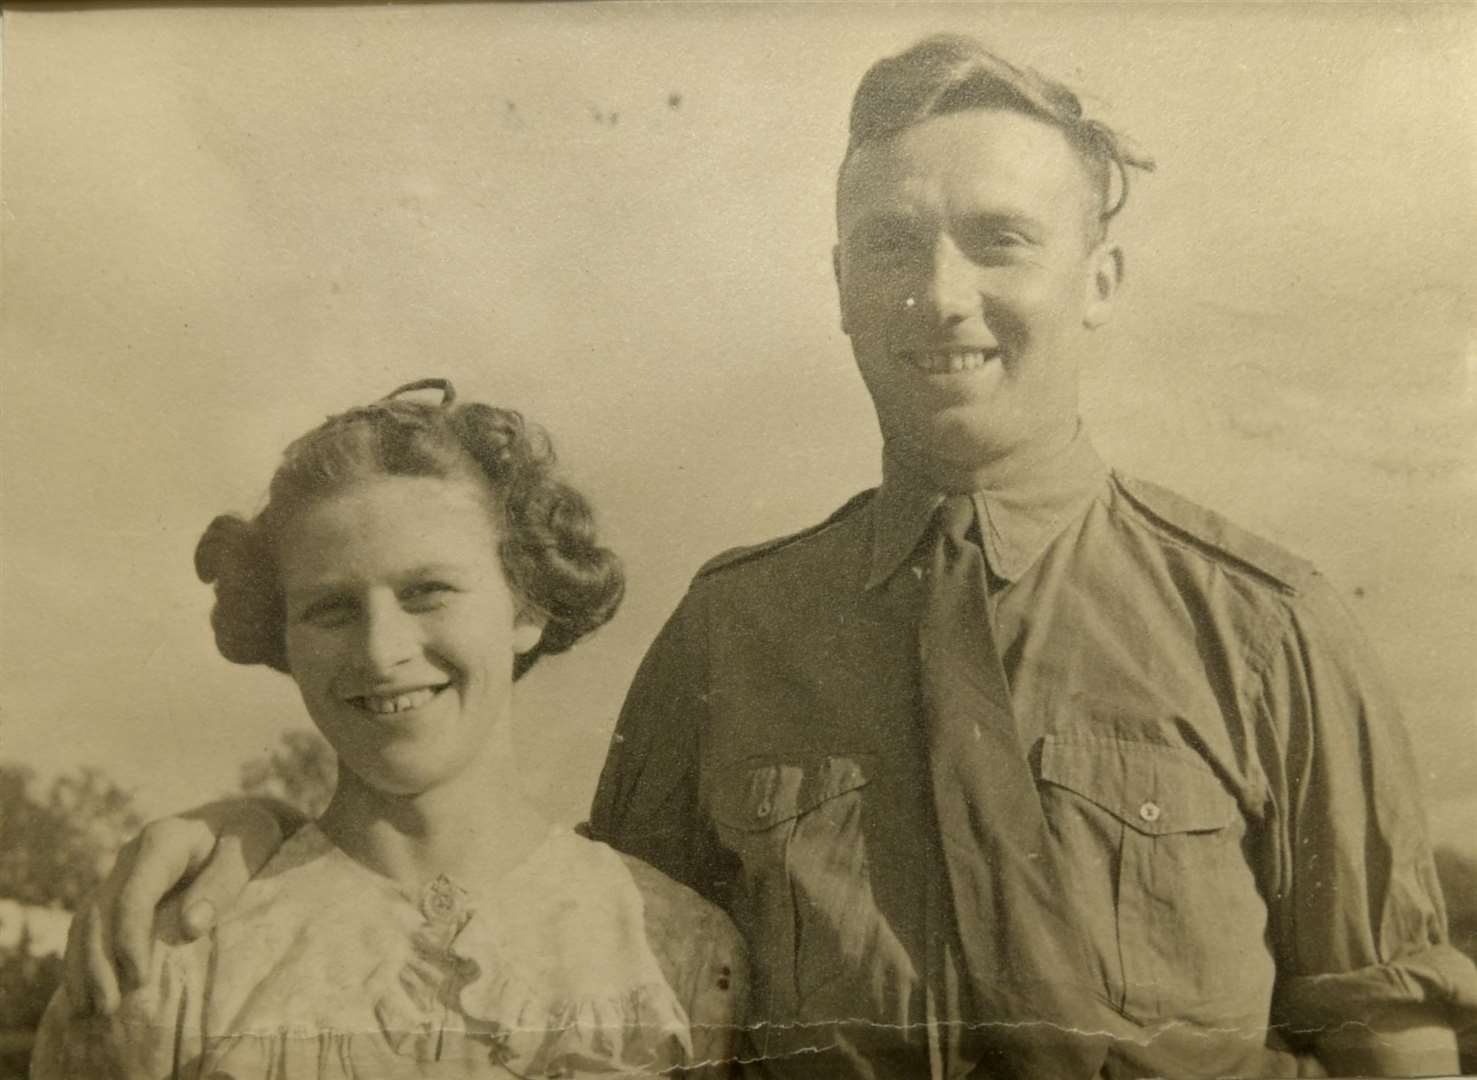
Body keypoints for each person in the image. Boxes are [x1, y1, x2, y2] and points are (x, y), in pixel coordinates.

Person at [64, 35, 1477, 1080]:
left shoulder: (1267, 624)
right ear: (843, 294)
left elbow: (1384, 1031)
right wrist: (248, 840)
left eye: (1000, 242)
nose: (942, 294)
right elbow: (564, 949)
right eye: (891, 248)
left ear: (1096, 280)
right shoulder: (732, 634)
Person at [34, 380, 746, 1078]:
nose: (381, 651)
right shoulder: (170, 954)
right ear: (284, 637)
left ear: (526, 608)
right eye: (330, 609)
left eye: (427, 592)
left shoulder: (673, 947)